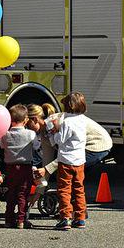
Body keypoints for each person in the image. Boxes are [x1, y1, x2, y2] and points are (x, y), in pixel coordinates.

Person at [47, 92, 89, 231]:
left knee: (65, 190)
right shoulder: (83, 120)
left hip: (66, 160)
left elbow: (60, 140)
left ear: (68, 106)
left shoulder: (67, 122)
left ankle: (65, 218)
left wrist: (54, 131)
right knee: (79, 189)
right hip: (80, 160)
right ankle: (80, 218)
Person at [0, 104, 41, 229]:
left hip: (10, 168)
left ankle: (8, 219)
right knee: (23, 194)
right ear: (26, 120)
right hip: (25, 167)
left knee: (11, 194)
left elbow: (1, 146)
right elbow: (37, 146)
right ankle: (21, 220)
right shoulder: (30, 134)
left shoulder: (4, 135)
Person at [25, 103, 58, 206]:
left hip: (94, 145)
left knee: (66, 173)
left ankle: (72, 212)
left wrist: (47, 169)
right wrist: (38, 194)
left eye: (27, 124)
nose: (27, 127)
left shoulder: (53, 126)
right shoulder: (44, 133)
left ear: (34, 119)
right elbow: (47, 161)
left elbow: (65, 156)